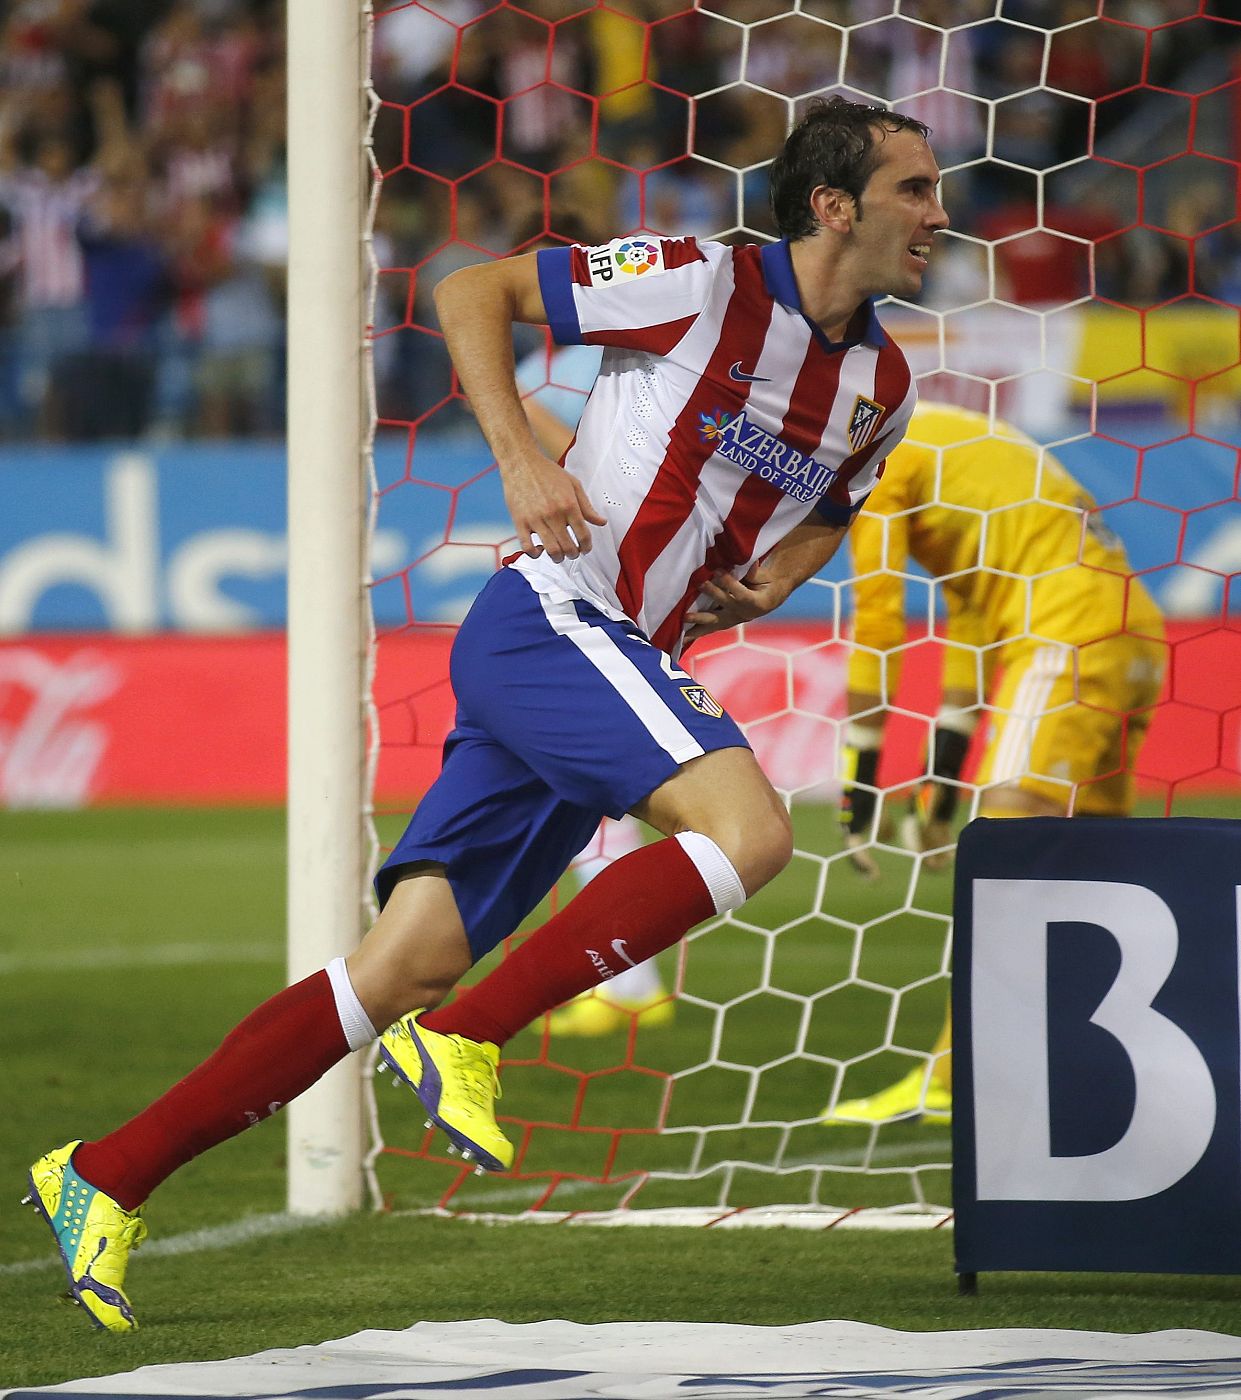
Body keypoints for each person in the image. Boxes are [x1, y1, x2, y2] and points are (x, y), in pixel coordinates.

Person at [25, 96, 948, 1331]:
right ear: (833, 205)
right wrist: (520, 453)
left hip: (609, 657)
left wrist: (774, 578)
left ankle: (104, 1171)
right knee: (752, 831)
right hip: (553, 618)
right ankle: (468, 1039)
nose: (941, 214)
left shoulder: (878, 380)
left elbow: (837, 496)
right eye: (916, 190)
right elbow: (472, 289)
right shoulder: (695, 278)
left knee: (399, 964)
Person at [822, 400, 1166, 1127]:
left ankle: (952, 1080)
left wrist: (858, 784)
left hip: (1062, 635)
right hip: (1133, 636)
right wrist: (940, 789)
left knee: (1004, 860)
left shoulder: (883, 454)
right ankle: (1092, 1063)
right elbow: (974, 619)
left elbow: (879, 624)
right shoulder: (969, 441)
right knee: (1092, 877)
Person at [514, 331, 672, 1035]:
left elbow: (575, 459)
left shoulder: (533, 373)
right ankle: (634, 981)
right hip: (617, 569)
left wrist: (518, 414)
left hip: (594, 578)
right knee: (594, 799)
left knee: (593, 794)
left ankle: (626, 983)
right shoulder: (650, 348)